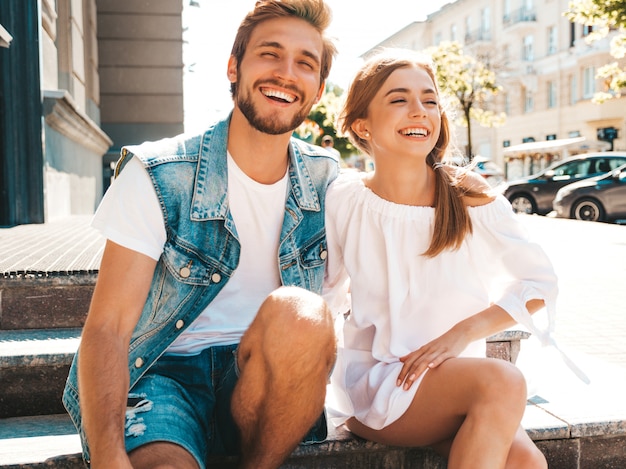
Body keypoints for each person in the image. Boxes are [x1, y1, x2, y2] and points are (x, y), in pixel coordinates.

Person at [62, 1, 339, 468]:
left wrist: (457, 187)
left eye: (305, 63)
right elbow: (108, 328)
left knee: (304, 313)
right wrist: (109, 458)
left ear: (316, 91)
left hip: (264, 383)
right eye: (269, 54)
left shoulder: (328, 179)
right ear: (234, 67)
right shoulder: (159, 173)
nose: (286, 73)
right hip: (161, 377)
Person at [322, 49, 566, 468]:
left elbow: (540, 283)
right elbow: (325, 295)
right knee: (504, 381)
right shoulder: (345, 198)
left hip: (453, 383)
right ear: (363, 124)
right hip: (378, 381)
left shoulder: (466, 193)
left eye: (430, 100)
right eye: (399, 99)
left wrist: (461, 333)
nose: (419, 111)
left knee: (529, 464)